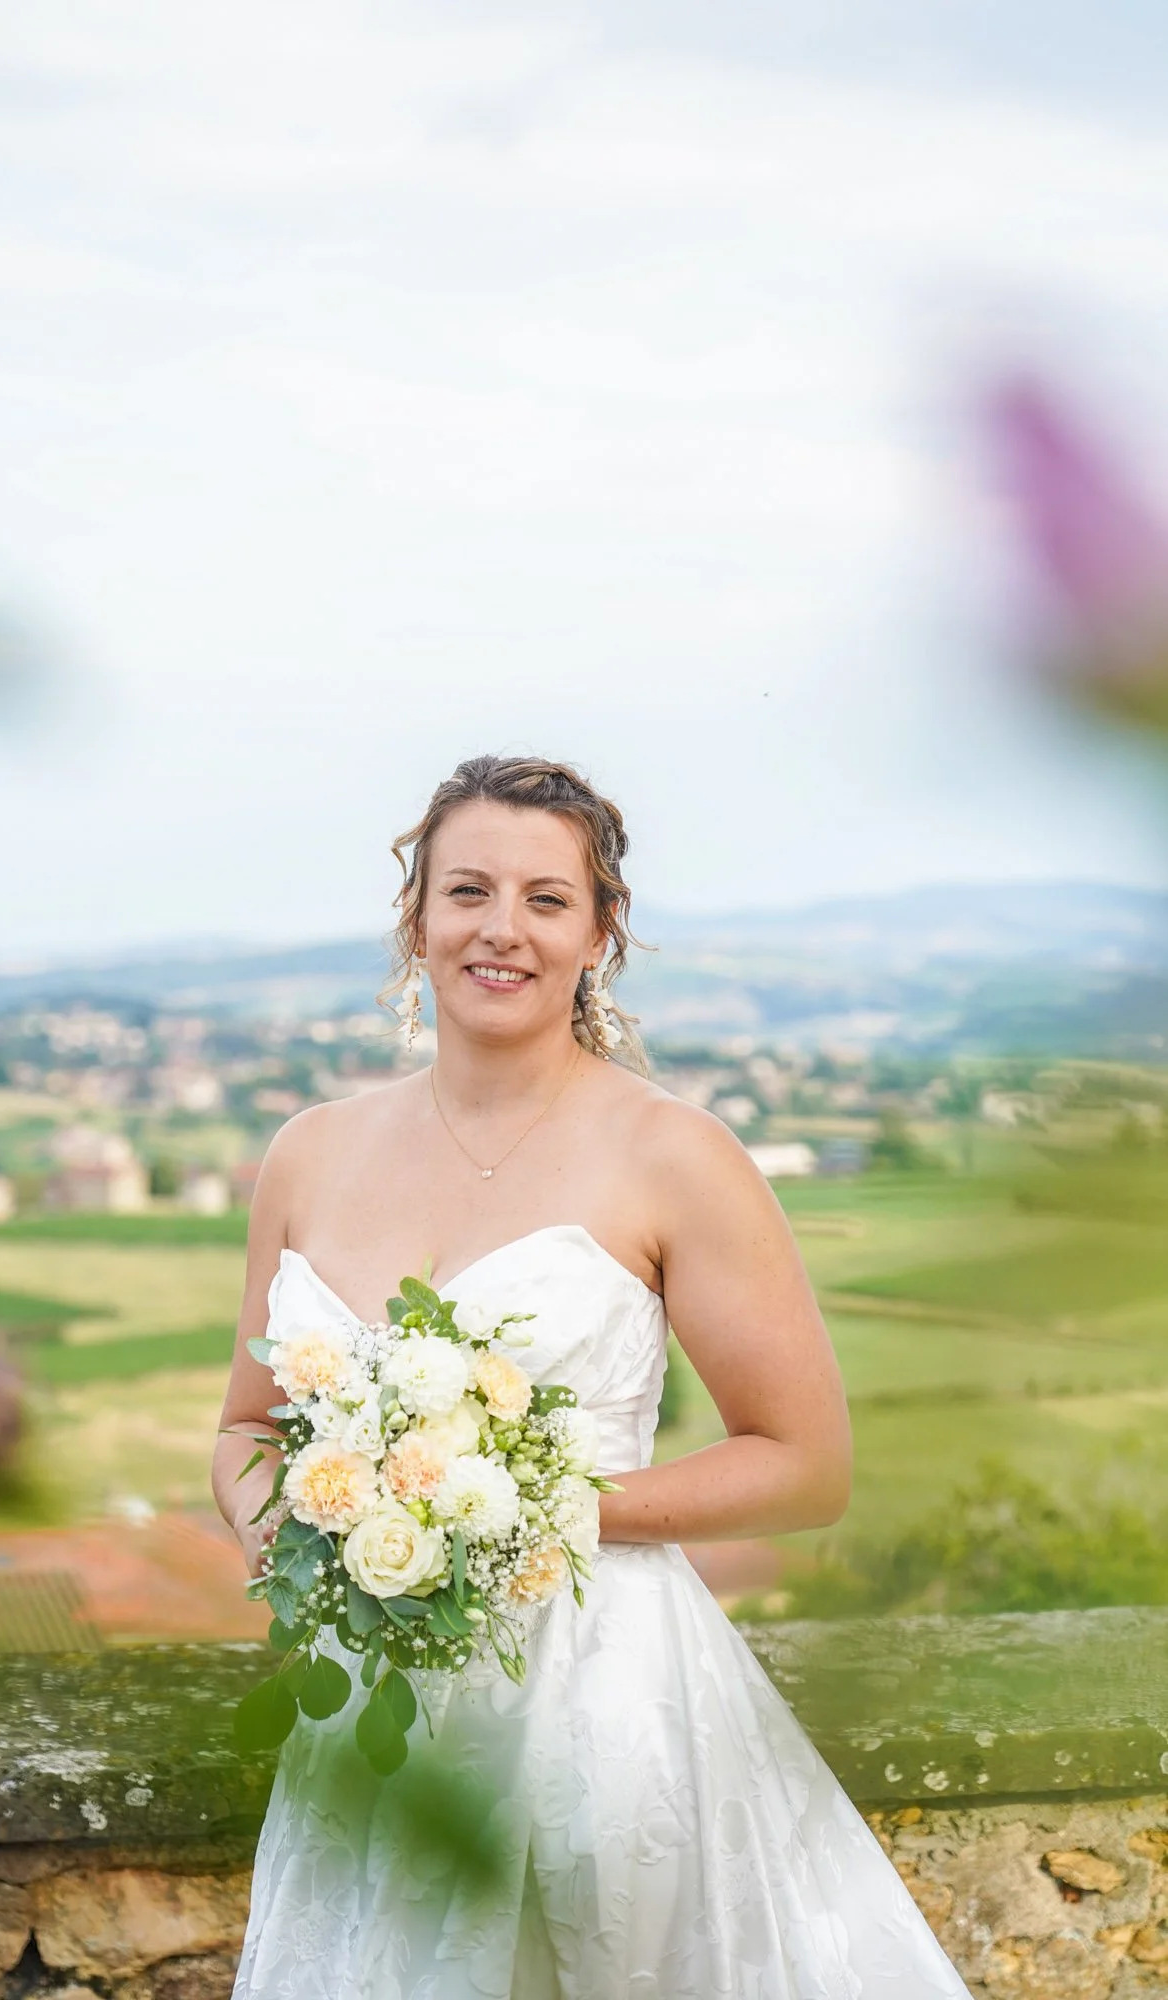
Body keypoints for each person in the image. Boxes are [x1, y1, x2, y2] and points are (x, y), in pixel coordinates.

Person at [215, 754, 969, 1998]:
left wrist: (519, 1507)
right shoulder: (308, 1153)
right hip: (370, 1708)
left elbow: (805, 1463)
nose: (500, 927)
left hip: (606, 1705)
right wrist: (303, 1552)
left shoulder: (676, 1155)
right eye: (466, 890)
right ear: (417, 920)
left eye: (545, 898)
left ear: (600, 930)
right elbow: (250, 1429)